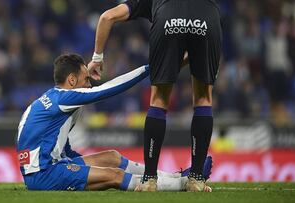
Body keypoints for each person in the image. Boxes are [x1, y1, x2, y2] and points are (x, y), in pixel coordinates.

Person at [16, 54, 213, 191]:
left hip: (45, 167)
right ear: (72, 80)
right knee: (115, 176)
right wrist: (152, 68)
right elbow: (110, 88)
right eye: (86, 79)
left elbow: (60, 148)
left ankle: (176, 176)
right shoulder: (64, 99)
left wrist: (83, 168)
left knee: (111, 157)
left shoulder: (50, 101)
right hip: (44, 173)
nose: (90, 84)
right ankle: (184, 182)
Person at [88, 0, 222, 192]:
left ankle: (149, 179)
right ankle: (197, 179)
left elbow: (106, 17)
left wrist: (97, 58)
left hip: (168, 22)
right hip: (207, 18)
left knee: (158, 100)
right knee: (203, 98)